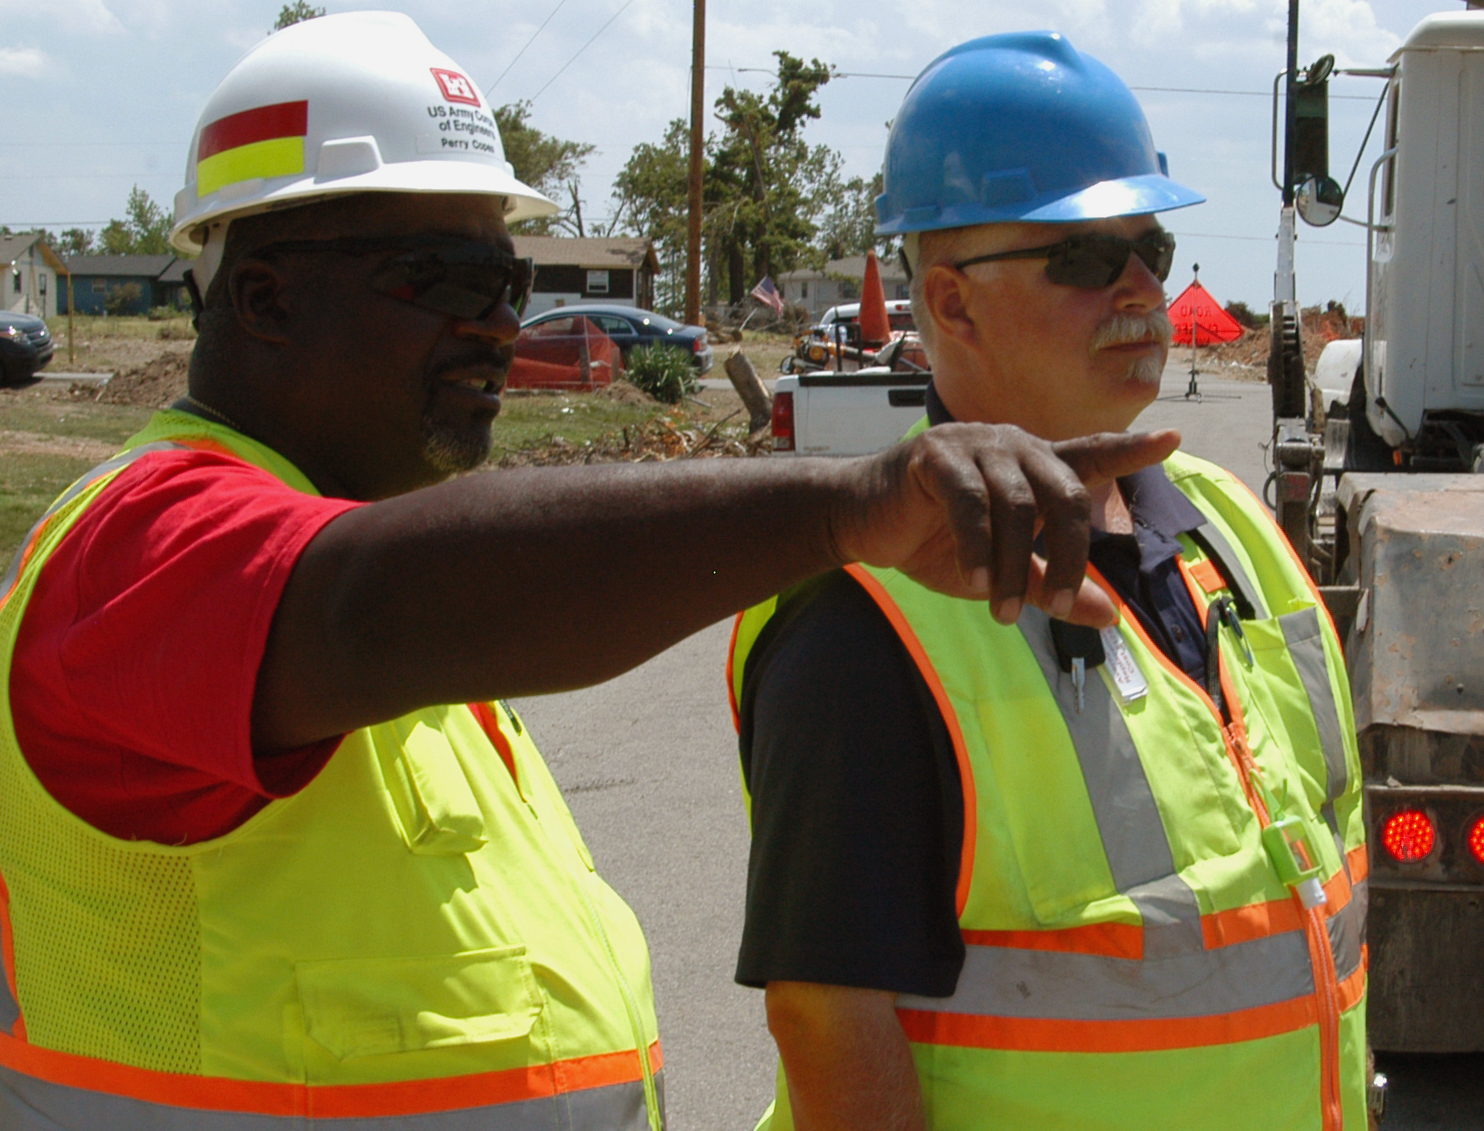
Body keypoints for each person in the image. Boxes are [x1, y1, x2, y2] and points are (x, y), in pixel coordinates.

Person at [0, 14, 1174, 1131]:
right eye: (450, 284)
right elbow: (369, 600)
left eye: (506, 284)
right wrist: (848, 505)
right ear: (264, 294)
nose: (503, 328)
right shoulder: (138, 548)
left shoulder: (380, 547)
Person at [728, 31, 1370, 1131]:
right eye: (1081, 256)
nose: (1138, 287)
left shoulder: (1229, 527)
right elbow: (832, 1028)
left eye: (1150, 249)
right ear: (953, 303)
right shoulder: (864, 617)